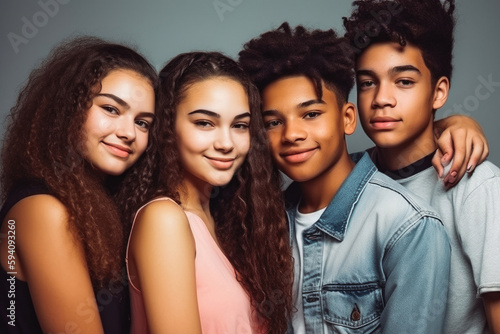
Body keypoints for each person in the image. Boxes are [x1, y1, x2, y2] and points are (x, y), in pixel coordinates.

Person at [238, 22, 454, 333]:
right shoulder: (263, 222)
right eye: (273, 122)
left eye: (311, 114)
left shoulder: (407, 226)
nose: (292, 134)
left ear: (347, 118)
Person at [343, 0, 500, 332]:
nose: (381, 98)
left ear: (438, 92)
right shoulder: (348, 183)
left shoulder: (476, 185)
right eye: (368, 82)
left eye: (404, 81)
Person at [125, 51, 294, 333]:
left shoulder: (223, 219)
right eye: (205, 123)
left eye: (240, 125)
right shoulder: (164, 219)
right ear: (167, 127)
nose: (226, 143)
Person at [0, 36, 157, 333]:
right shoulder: (44, 210)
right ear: (68, 109)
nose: (128, 133)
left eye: (143, 122)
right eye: (111, 109)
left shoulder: (103, 212)